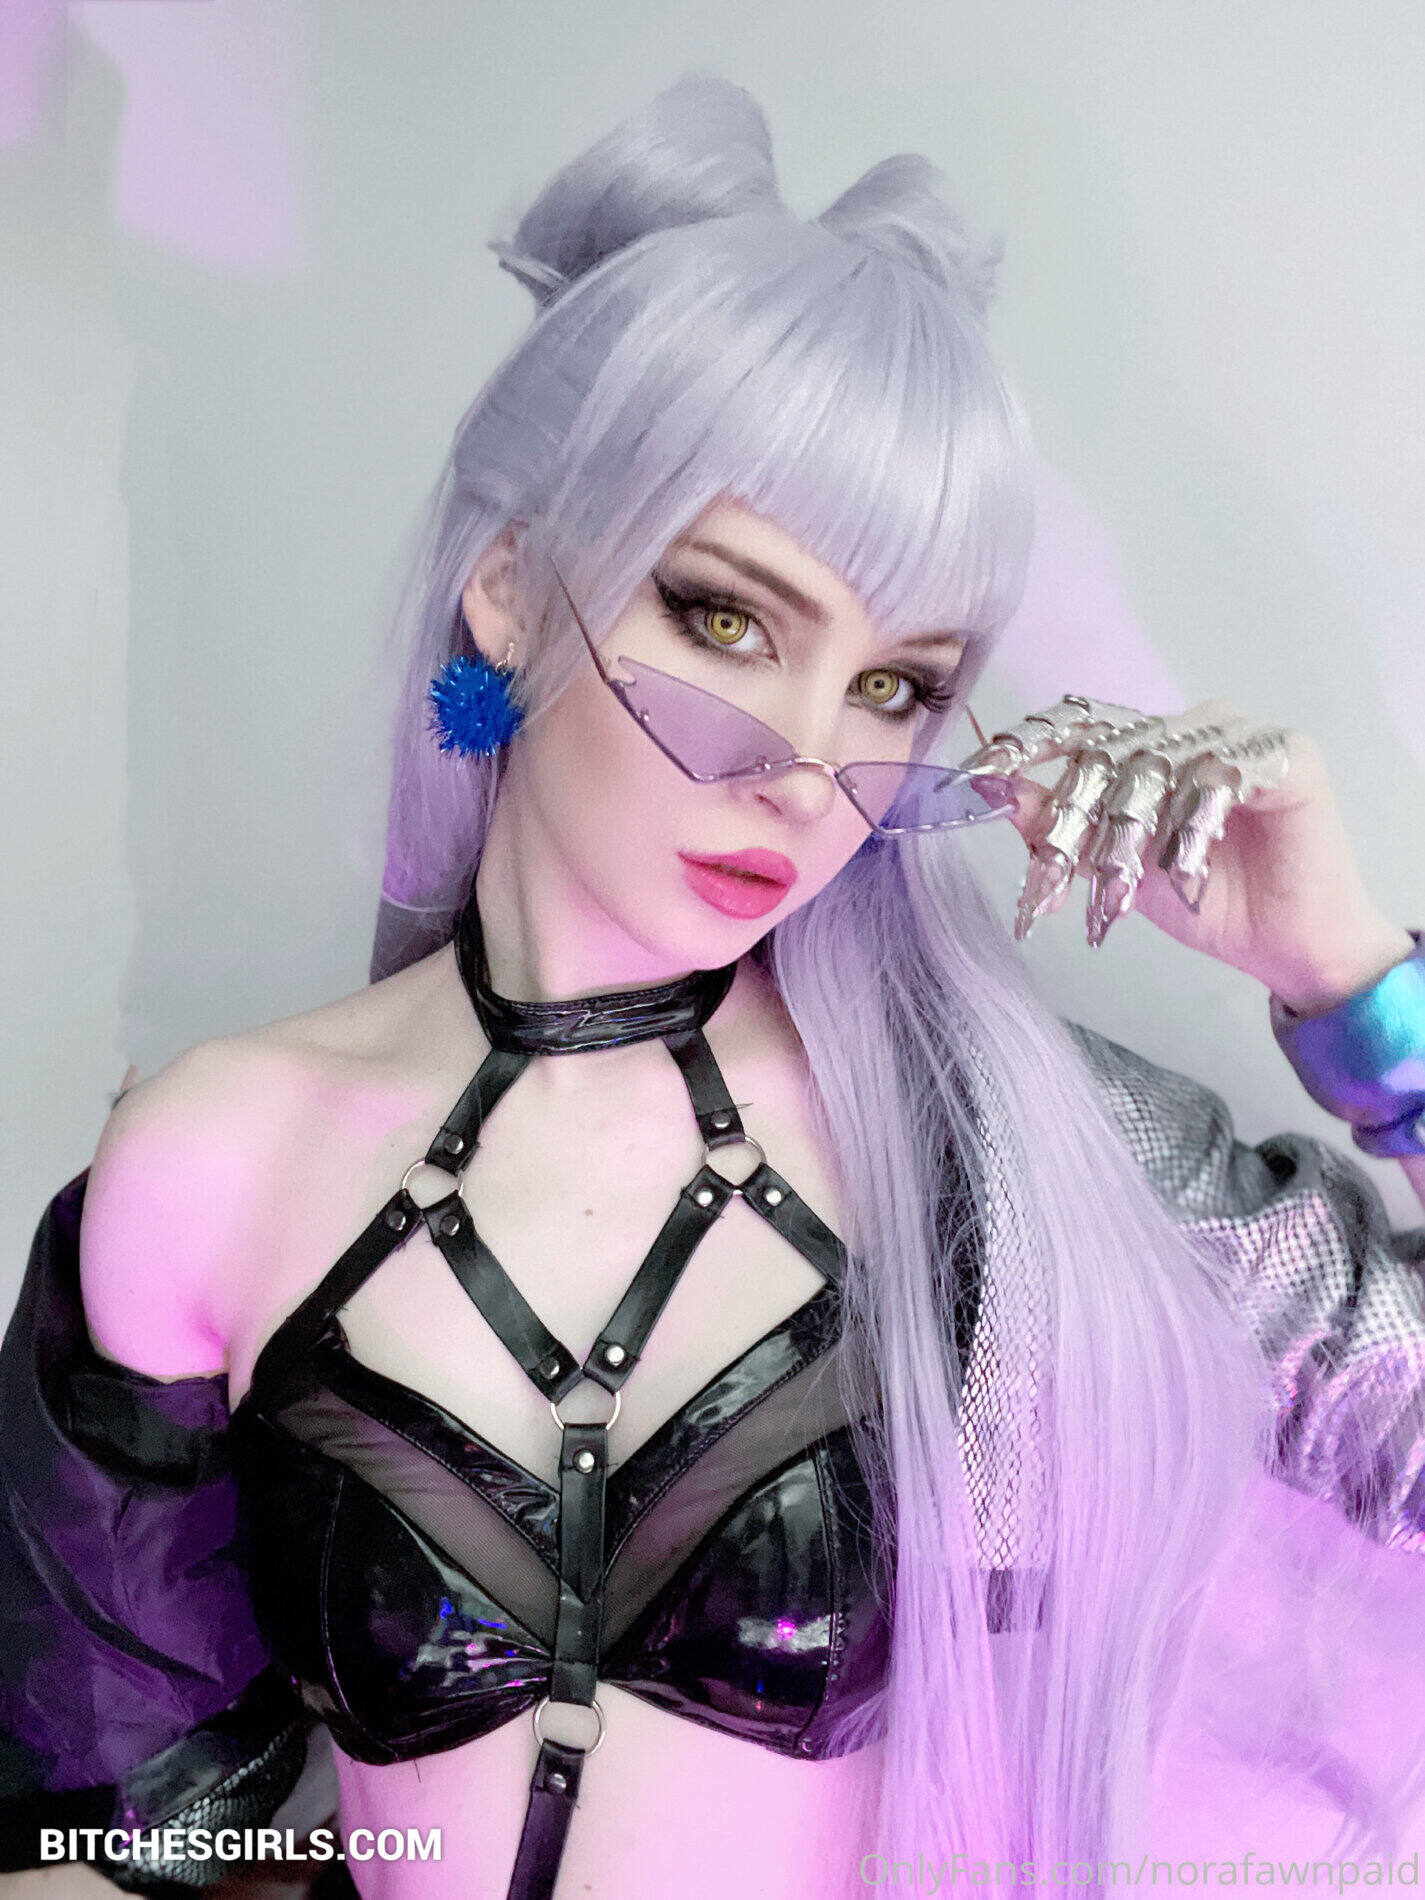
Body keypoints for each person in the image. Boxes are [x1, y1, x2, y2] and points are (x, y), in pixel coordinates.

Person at [3, 71, 1424, 1900]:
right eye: (726, 618)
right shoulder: (213, 1160)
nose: (801, 768)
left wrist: (1351, 984)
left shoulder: (1008, 1157)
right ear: (511, 589)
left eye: (894, 685)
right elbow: (99, 1831)